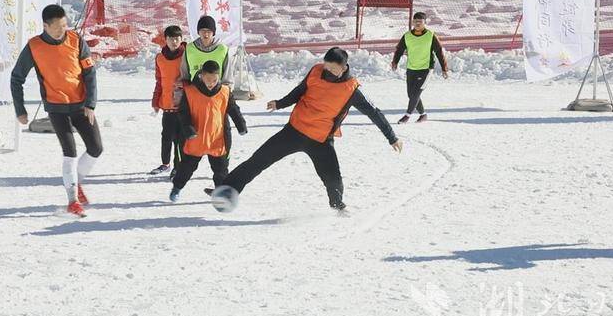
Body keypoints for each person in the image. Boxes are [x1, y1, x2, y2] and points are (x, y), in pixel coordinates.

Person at [212, 47, 402, 213]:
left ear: (344, 68)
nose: (327, 71)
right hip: (295, 129)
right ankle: (227, 188)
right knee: (260, 158)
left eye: (333, 69)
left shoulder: (352, 89)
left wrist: (391, 137)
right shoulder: (316, 71)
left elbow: (374, 113)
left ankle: (338, 207)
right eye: (326, 66)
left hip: (320, 139)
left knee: (332, 177)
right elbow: (299, 91)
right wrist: (280, 103)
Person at [11, 5, 102, 217]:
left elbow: (90, 73)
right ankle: (72, 200)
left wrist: (90, 104)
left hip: (81, 105)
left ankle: (76, 182)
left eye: (65, 25)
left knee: (96, 148)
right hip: (56, 108)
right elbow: (16, 78)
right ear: (45, 26)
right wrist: (20, 109)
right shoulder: (34, 46)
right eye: (58, 27)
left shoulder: (76, 40)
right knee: (69, 152)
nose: (63, 29)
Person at [169, 60, 247, 202]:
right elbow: (183, 113)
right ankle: (177, 188)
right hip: (195, 138)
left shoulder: (225, 91)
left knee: (221, 170)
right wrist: (188, 129)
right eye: (208, 79)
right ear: (201, 76)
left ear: (219, 77)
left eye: (214, 79)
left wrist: (241, 125)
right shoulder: (191, 91)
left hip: (218, 138)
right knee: (186, 168)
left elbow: (233, 109)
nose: (211, 83)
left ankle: (220, 191)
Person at [391, 12, 449, 124]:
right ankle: (423, 115)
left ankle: (407, 115)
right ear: (412, 22)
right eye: (415, 21)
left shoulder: (430, 35)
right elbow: (399, 50)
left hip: (426, 69)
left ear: (425, 23)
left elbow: (439, 52)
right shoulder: (407, 36)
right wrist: (395, 62)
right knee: (410, 94)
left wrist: (444, 68)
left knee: (415, 94)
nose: (417, 24)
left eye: (420, 22)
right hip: (411, 68)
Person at [150, 25, 185, 176]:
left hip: (182, 104)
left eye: (177, 38)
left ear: (181, 39)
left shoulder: (186, 56)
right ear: (165, 40)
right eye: (171, 38)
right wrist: (155, 101)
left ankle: (178, 167)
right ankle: (165, 164)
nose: (174, 41)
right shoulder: (160, 58)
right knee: (166, 136)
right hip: (166, 104)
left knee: (179, 138)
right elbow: (159, 81)